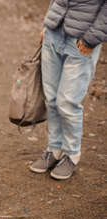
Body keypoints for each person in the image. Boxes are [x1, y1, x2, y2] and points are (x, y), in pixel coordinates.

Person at [30, 0, 106, 180]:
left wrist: (92, 38)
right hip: (54, 33)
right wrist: (47, 25)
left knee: (68, 103)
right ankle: (54, 149)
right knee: (51, 99)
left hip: (81, 41)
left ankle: (71, 154)